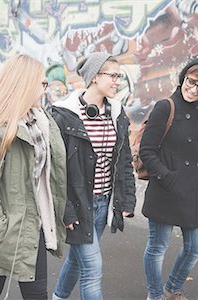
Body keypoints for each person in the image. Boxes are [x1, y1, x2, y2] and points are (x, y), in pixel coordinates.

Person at [0, 54, 67, 300]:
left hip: (33, 225)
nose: (45, 90)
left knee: (37, 294)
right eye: (42, 84)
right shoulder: (1, 130)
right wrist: (0, 228)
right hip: (3, 229)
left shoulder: (40, 122)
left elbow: (48, 176)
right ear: (25, 84)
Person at [51, 52, 136, 300]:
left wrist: (126, 199)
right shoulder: (64, 114)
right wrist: (65, 209)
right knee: (92, 268)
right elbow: (55, 169)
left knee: (78, 261)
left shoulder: (117, 113)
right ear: (95, 76)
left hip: (102, 203)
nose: (117, 81)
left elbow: (124, 160)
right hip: (77, 205)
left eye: (119, 76)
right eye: (113, 75)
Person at [140, 56, 198, 300]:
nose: (193, 89)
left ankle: (172, 289)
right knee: (157, 247)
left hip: (192, 190)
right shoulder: (165, 107)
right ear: (183, 77)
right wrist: (167, 177)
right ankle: (155, 295)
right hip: (166, 189)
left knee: (196, 246)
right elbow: (147, 151)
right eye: (190, 81)